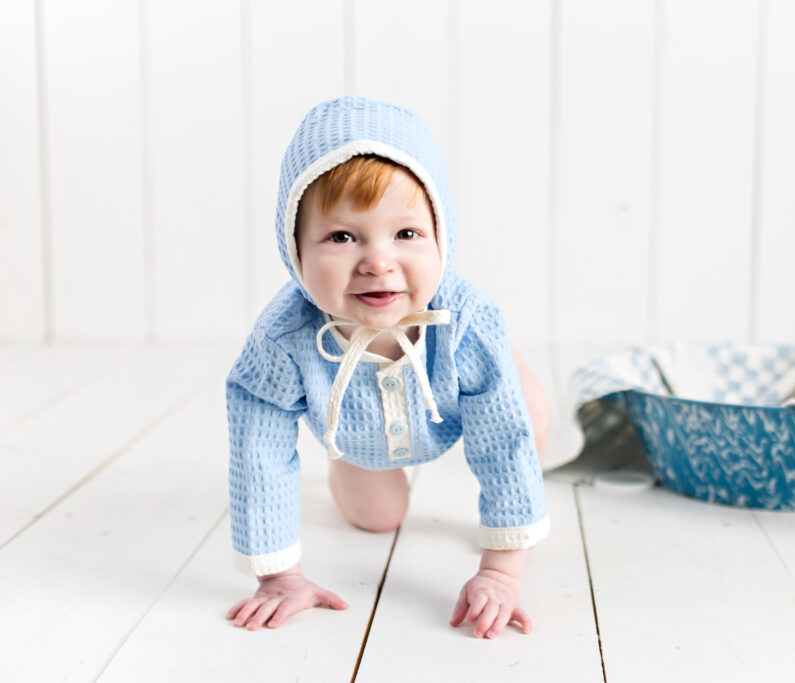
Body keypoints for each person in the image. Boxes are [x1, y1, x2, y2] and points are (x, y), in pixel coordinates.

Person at [224, 97, 550, 640]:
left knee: (528, 417)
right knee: (378, 519)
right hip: (359, 432)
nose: (379, 261)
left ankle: (511, 376)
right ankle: (349, 462)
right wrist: (279, 577)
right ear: (294, 250)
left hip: (458, 400)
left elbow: (504, 444)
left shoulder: (466, 317)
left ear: (440, 237)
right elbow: (259, 455)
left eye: (406, 234)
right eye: (342, 236)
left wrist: (500, 572)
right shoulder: (281, 339)